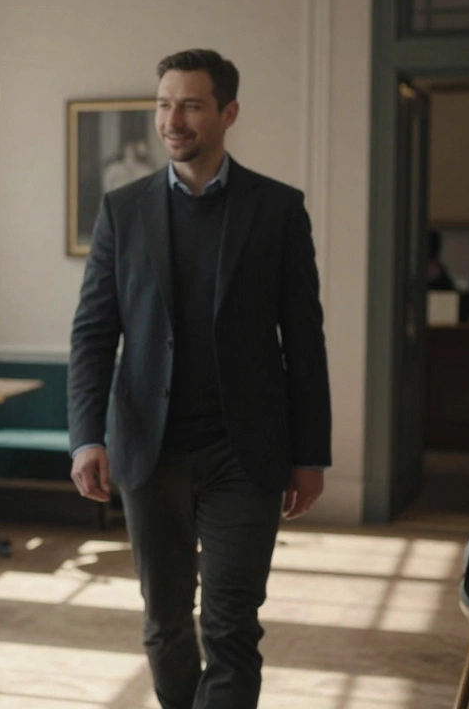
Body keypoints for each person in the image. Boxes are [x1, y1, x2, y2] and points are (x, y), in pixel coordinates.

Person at [67, 49, 331, 709]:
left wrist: (310, 454)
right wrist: (84, 437)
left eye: (190, 104)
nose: (172, 119)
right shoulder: (122, 212)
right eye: (163, 103)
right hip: (148, 453)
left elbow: (304, 342)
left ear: (228, 113)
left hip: (246, 453)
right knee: (164, 626)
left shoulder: (277, 210)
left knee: (232, 627)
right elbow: (94, 335)